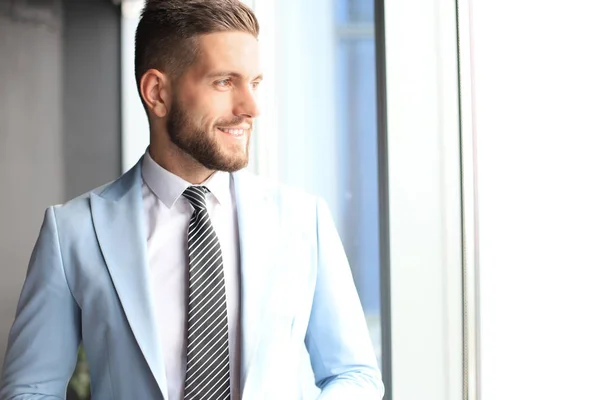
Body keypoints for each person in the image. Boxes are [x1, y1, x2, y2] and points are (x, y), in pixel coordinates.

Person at [0, 0, 384, 399]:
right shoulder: (74, 233)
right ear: (157, 92)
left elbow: (355, 374)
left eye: (254, 83)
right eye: (224, 82)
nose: (251, 107)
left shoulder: (305, 220)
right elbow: (29, 390)